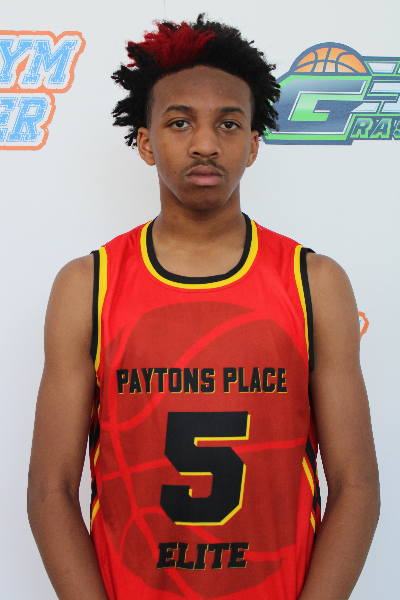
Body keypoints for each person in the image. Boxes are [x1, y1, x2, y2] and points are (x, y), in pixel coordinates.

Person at [27, 14, 380, 600]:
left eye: (229, 123)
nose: (206, 143)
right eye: (180, 122)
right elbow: (50, 490)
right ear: (145, 142)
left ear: (254, 144)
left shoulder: (314, 282)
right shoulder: (88, 285)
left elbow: (356, 486)